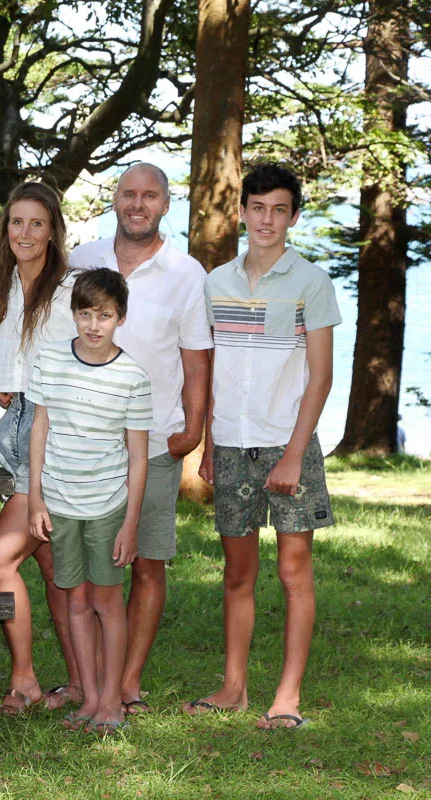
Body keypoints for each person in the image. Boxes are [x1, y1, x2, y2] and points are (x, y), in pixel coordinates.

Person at [191, 163, 339, 730]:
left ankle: (287, 697)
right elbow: (213, 370)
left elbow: (321, 377)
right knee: (237, 573)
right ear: (243, 212)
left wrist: (295, 454)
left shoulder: (311, 282)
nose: (267, 219)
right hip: (230, 444)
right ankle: (233, 688)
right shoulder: (217, 283)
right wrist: (207, 443)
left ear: (293, 216)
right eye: (258, 208)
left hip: (288, 443)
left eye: (280, 209)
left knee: (295, 571)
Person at [69, 162, 213, 714]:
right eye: (128, 193)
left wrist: (193, 429)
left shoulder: (186, 273)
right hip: (85, 442)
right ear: (114, 200)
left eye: (149, 195)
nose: (137, 203)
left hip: (155, 442)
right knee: (83, 564)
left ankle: (127, 681)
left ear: (165, 204)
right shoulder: (82, 259)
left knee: (148, 563)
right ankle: (87, 679)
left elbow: (197, 359)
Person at [0, 182, 83, 713]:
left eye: (37, 223)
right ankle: (84, 684)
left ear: (54, 229)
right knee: (55, 572)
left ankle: (25, 682)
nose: (26, 233)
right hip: (12, 433)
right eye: (17, 222)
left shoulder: (70, 291)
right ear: (5, 229)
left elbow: (87, 367)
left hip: (56, 437)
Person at [27, 268, 151, 735]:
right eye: (85, 314)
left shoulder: (132, 377)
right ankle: (91, 699)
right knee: (75, 600)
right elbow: (39, 428)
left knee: (107, 602)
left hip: (106, 505)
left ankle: (114, 702)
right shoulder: (50, 361)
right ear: (73, 314)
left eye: (105, 315)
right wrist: (36, 497)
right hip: (58, 501)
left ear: (120, 317)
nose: (94, 325)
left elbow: (138, 457)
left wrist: (130, 524)